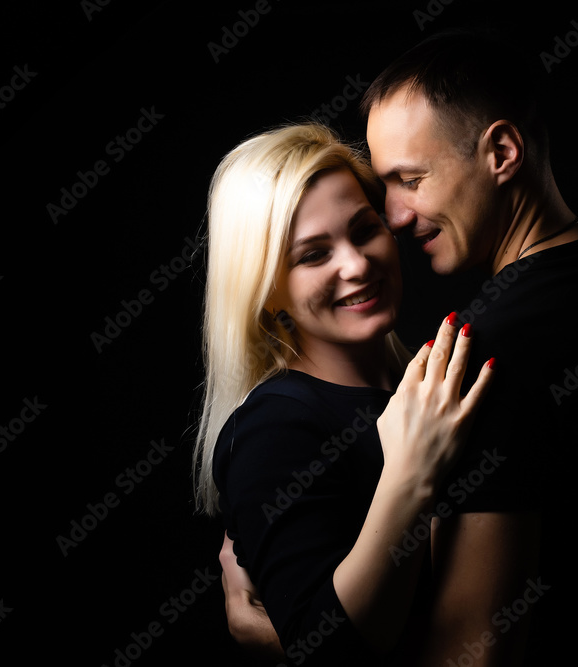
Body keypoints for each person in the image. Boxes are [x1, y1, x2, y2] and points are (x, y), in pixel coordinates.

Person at [226, 29, 578, 666]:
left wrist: (279, 636)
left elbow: (471, 656)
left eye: (410, 179)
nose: (395, 217)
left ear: (501, 152)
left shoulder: (481, 355)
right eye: (314, 253)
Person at [193, 122, 495, 666]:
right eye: (312, 255)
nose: (357, 265)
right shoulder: (272, 429)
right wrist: (412, 473)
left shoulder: (422, 382)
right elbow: (331, 651)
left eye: (363, 229)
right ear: (263, 289)